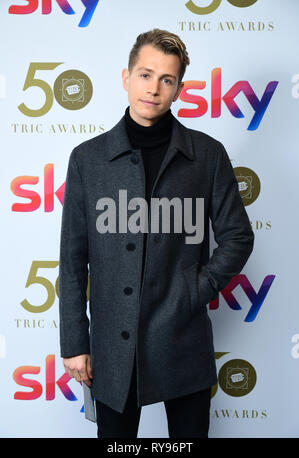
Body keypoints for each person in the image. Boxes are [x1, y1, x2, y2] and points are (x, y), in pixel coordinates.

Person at [59, 28, 255, 438]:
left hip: (182, 338)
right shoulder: (87, 159)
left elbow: (238, 236)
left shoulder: (207, 154)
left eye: (167, 79)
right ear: (126, 78)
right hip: (112, 347)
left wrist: (194, 289)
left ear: (180, 88)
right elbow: (73, 260)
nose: (154, 88)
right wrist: (75, 342)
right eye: (145, 75)